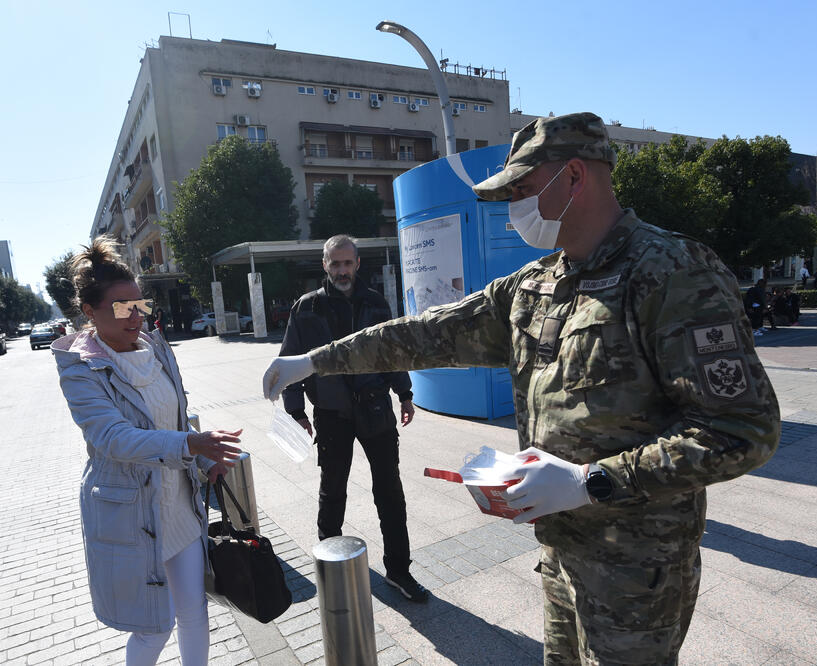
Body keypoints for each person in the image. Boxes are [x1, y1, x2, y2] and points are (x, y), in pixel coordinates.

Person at [263, 113, 780, 664]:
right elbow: (425, 333)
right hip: (559, 550)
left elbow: (741, 428)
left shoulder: (673, 273)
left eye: (525, 189)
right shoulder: (536, 285)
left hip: (638, 569)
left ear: (575, 177)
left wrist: (593, 481)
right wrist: (317, 360)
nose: (514, 209)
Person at [53, 237, 243, 666]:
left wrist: (205, 456)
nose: (136, 316)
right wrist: (188, 444)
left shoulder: (156, 348)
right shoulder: (80, 370)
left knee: (195, 615)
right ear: (89, 312)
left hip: (179, 506)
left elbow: (176, 417)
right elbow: (114, 438)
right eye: (122, 307)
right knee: (153, 628)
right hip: (132, 518)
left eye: (141, 304)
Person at [278, 234, 426, 603]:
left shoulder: (376, 303)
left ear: (358, 264)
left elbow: (393, 352)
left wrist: (404, 394)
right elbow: (291, 360)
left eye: (348, 263)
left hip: (376, 409)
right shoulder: (306, 307)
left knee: (389, 492)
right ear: (325, 265)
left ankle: (399, 571)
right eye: (335, 263)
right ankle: (331, 570)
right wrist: (295, 411)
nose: (342, 270)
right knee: (333, 492)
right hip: (331, 414)